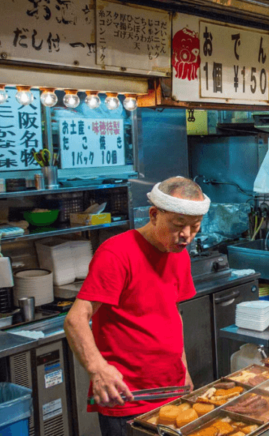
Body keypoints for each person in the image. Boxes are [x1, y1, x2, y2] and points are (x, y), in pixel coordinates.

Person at [64, 177, 209, 436]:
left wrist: (183, 369)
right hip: (128, 397)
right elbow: (76, 318)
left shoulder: (178, 253)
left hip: (171, 390)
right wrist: (98, 369)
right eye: (178, 225)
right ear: (154, 215)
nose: (186, 236)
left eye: (194, 227)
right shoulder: (117, 253)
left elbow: (172, 314)